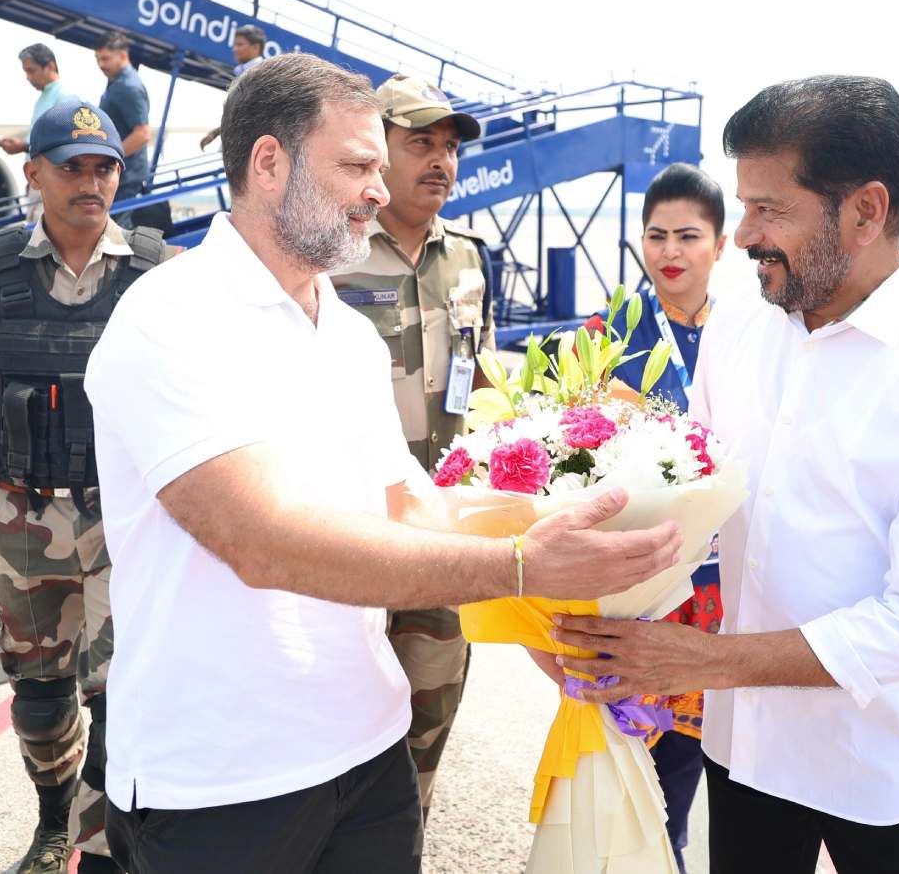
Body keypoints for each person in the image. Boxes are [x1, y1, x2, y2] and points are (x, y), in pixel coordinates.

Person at [83, 52, 683, 874]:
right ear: (268, 164)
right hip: (221, 782)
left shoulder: (346, 333)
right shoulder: (170, 318)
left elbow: (408, 504)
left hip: (368, 754)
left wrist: (568, 599)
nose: (378, 187)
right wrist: (515, 567)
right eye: (359, 164)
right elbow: (264, 542)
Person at [553, 75, 899, 874]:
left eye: (769, 210)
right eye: (742, 207)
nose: (741, 236)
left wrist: (707, 664)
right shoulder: (740, 327)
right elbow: (691, 494)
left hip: (884, 770)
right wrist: (586, 598)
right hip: (747, 750)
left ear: (866, 212)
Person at [0, 98, 180, 874]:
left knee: (120, 689)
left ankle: (104, 843)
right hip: (21, 516)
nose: (90, 182)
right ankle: (52, 819)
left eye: (104, 168)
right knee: (38, 699)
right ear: (34, 174)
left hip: (127, 521)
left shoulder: (157, 271)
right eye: (71, 167)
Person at [325, 72, 488, 824]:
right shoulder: (333, 253)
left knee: (431, 705)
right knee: (335, 714)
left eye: (449, 147)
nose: (440, 161)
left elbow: (478, 383)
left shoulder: (469, 259)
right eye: (419, 142)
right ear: (376, 149)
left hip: (438, 527)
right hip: (349, 528)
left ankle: (405, 841)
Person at [569, 161, 727, 874]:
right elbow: (565, 450)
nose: (670, 251)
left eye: (688, 236)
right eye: (656, 235)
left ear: (720, 245)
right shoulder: (610, 332)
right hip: (633, 589)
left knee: (686, 779)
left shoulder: (750, 334)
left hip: (717, 598)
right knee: (617, 776)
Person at [0, 44, 71, 225]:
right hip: (38, 180)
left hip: (51, 182)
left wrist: (23, 147)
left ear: (50, 66)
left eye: (31, 71)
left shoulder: (65, 98)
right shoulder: (43, 99)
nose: (28, 78)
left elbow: (63, 142)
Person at [94, 32, 153, 225]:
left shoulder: (128, 86)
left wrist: (108, 158)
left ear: (123, 55)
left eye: (106, 58)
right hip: (122, 173)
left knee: (118, 233)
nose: (101, 65)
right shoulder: (116, 81)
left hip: (127, 176)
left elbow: (143, 133)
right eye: (98, 59)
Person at [199, 24, 270, 150]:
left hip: (246, 142)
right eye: (234, 45)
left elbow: (249, 113)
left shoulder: (260, 74)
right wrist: (215, 133)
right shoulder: (242, 72)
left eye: (240, 45)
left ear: (255, 47)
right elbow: (237, 112)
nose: (234, 49)